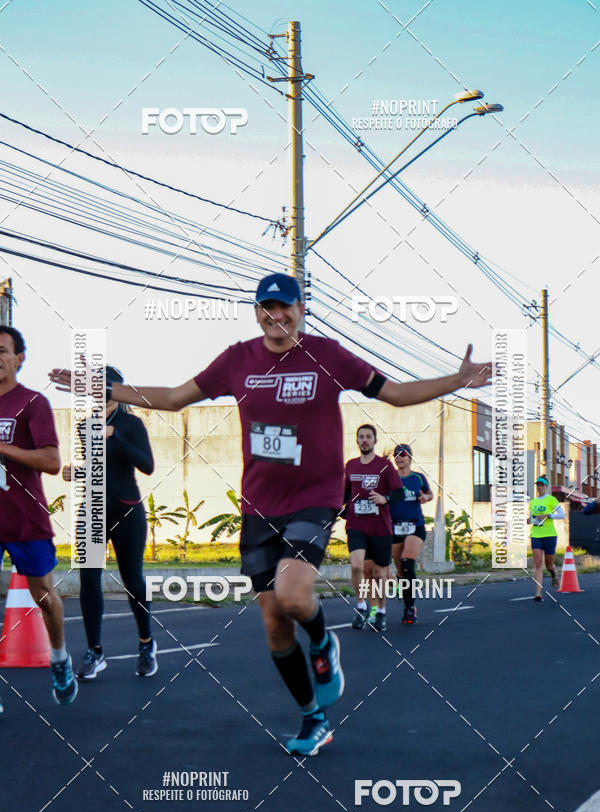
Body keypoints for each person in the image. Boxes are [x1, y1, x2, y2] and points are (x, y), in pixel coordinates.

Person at [49, 272, 492, 756]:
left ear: (302, 309)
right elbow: (174, 398)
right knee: (274, 622)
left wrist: (457, 380)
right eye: (265, 307)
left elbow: (394, 393)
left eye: (284, 306)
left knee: (294, 595)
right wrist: (106, 389)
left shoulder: (328, 354)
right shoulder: (238, 359)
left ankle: (324, 645)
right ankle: (312, 717)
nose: (274, 315)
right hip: (259, 505)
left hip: (313, 498)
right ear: (257, 312)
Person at [0, 325, 77, 706]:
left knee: (43, 595)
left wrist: (4, 448)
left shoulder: (32, 403)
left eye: (2, 350)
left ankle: (60, 657)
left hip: (24, 517)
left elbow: (50, 461)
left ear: (19, 358)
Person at [63, 367, 156, 679]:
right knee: (89, 580)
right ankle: (95, 652)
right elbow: (97, 471)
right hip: (93, 510)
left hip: (127, 510)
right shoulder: (85, 426)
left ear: (116, 389)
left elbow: (147, 466)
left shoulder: (132, 424)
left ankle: (146, 644)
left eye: (103, 385)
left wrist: (116, 436)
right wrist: (76, 472)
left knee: (133, 581)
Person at [345, 425, 403, 633]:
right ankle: (361, 606)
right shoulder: (350, 466)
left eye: (368, 437)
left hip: (380, 528)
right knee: (357, 565)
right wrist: (339, 510)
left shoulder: (385, 466)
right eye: (361, 437)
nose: (365, 440)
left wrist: (384, 498)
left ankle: (380, 612)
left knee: (378, 573)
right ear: (357, 440)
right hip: (356, 525)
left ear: (375, 440)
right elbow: (344, 494)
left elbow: (399, 494)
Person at [389, 443, 433, 624]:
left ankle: (409, 608)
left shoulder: (418, 478)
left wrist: (425, 498)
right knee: (401, 571)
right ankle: (407, 600)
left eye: (403, 455)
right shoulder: (389, 478)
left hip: (415, 526)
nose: (399, 458)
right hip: (394, 528)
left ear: (410, 458)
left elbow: (429, 494)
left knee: (407, 563)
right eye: (396, 455)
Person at [528, 475, 564, 601]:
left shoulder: (551, 500)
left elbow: (562, 515)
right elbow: (530, 518)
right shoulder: (532, 502)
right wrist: (529, 520)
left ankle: (553, 573)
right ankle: (538, 593)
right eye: (537, 484)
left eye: (542, 484)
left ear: (546, 486)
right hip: (536, 534)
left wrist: (548, 515)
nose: (539, 487)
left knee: (549, 565)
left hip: (549, 535)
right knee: (538, 563)